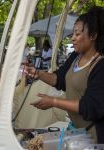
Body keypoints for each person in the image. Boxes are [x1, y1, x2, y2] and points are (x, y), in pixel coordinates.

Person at [28, 6, 104, 143]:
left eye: (77, 33)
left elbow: (92, 106)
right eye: (73, 34)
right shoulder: (76, 56)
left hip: (95, 135)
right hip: (76, 130)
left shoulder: (101, 64)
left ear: (93, 35)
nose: (72, 38)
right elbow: (60, 79)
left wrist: (54, 101)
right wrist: (38, 73)